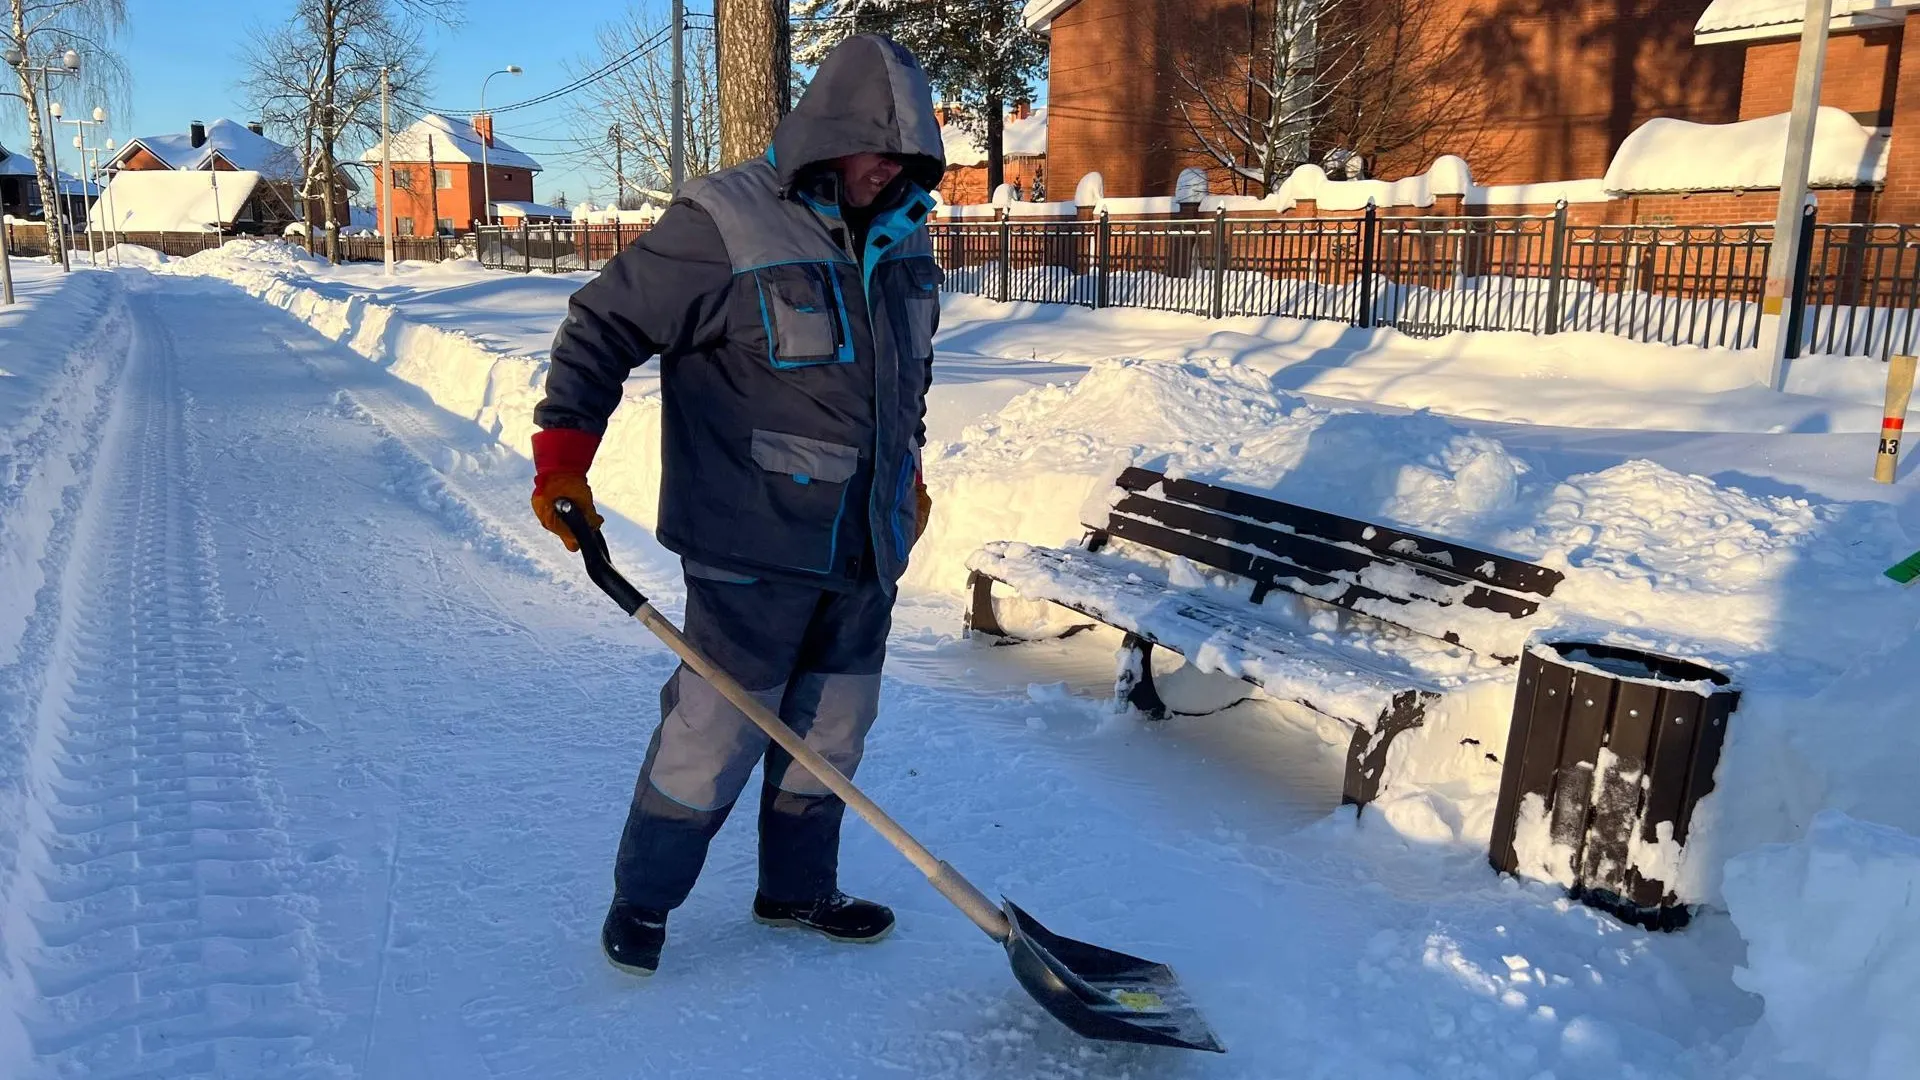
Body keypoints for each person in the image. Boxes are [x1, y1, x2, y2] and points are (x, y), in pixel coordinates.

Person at [527, 34, 945, 977]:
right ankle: (644, 900)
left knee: (833, 730)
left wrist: (906, 473)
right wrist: (564, 457)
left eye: (912, 154)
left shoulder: (905, 235)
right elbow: (603, 324)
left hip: (866, 546)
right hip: (752, 540)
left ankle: (797, 890)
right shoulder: (727, 221)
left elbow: (905, 378)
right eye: (881, 145)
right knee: (715, 732)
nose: (894, 167)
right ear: (829, 131)